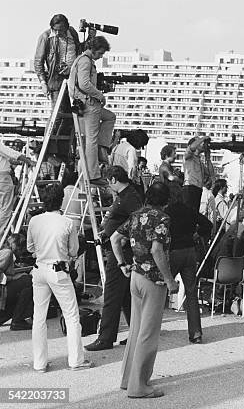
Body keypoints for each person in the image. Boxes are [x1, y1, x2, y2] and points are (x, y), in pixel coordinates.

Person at [110, 182, 179, 399]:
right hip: (153, 281)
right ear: (166, 201)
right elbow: (158, 250)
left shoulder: (135, 215)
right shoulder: (162, 218)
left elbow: (114, 239)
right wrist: (170, 280)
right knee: (148, 334)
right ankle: (139, 386)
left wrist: (123, 264)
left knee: (136, 331)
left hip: (136, 277)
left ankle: (128, 378)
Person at [28, 184, 92, 372]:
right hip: (59, 271)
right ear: (61, 200)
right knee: (72, 316)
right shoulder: (67, 223)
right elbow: (73, 250)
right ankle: (76, 360)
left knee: (39, 318)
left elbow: (30, 248)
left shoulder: (34, 221)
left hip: (39, 269)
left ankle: (39, 363)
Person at [85, 166, 143, 351]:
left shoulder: (130, 197)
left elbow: (138, 218)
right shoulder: (128, 195)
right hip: (117, 246)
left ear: (113, 180)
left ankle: (106, 338)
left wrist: (122, 235)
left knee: (111, 295)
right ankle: (135, 332)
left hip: (120, 251)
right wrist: (107, 231)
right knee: (125, 295)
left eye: (108, 183)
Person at [68, 36, 116, 185]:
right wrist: (99, 95)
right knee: (91, 140)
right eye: (100, 53)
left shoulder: (82, 60)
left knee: (110, 117)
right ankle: (93, 174)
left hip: (86, 103)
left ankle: (103, 147)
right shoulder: (85, 61)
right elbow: (84, 84)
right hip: (89, 104)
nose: (101, 56)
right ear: (94, 49)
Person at [166, 182, 203, 344]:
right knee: (192, 293)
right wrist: (196, 234)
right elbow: (207, 224)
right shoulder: (190, 210)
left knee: (161, 289)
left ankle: (152, 328)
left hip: (173, 252)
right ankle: (196, 333)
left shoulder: (166, 212)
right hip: (189, 251)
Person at [34, 14, 95, 113]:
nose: (57, 33)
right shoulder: (46, 37)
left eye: (60, 30)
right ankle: (54, 129)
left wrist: (91, 37)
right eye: (55, 30)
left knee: (74, 115)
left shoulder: (72, 32)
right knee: (59, 114)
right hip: (57, 81)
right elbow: (38, 62)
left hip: (74, 79)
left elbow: (80, 49)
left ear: (66, 27)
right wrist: (43, 83)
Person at [0, 140, 35, 239]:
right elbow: (10, 153)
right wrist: (28, 161)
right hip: (3, 178)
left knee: (3, 208)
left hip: (5, 179)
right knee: (6, 210)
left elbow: (7, 157)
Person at [0, 233, 34, 330]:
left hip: (4, 288)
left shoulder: (6, 252)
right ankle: (18, 320)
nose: (22, 251)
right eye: (22, 248)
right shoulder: (7, 253)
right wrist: (14, 278)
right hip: (3, 290)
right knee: (29, 281)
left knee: (25, 281)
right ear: (17, 246)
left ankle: (9, 316)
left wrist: (20, 272)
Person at [182, 136, 215, 213]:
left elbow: (211, 173)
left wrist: (208, 158)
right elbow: (191, 147)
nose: (203, 144)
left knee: (194, 214)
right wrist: (203, 138)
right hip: (189, 188)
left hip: (198, 189)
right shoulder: (188, 156)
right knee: (189, 213)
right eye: (200, 143)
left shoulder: (200, 161)